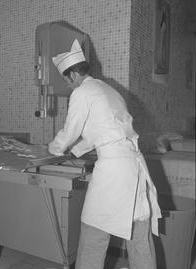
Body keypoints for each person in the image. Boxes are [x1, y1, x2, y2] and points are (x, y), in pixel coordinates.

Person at [48, 39, 162, 269]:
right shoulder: (108, 90)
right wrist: (77, 151)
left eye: (66, 80)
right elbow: (101, 131)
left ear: (72, 76)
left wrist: (54, 149)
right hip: (135, 167)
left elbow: (71, 130)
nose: (68, 85)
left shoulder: (82, 93)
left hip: (114, 172)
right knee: (140, 238)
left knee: (93, 236)